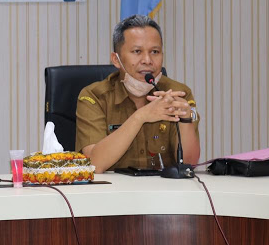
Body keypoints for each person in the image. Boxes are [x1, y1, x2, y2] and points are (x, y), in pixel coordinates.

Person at [75, 15, 200, 173]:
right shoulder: (93, 97)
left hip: (165, 187)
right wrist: (140, 117)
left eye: (155, 51)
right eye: (137, 51)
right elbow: (94, 165)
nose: (147, 60)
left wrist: (185, 120)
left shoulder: (179, 94)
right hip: (113, 188)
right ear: (116, 59)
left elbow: (189, 164)